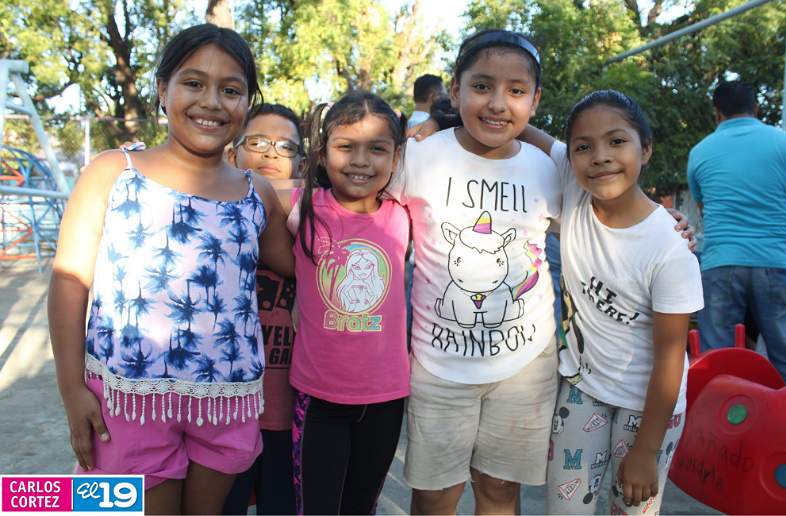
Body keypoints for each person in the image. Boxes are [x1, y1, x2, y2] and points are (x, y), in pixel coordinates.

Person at [47, 24, 293, 515]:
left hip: (225, 403)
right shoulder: (112, 173)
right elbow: (69, 280)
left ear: (247, 102)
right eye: (194, 83)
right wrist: (72, 389)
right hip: (128, 403)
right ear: (163, 89)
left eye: (231, 90)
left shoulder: (257, 194)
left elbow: (298, 263)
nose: (212, 102)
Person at [387, 30, 562, 515]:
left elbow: (607, 214)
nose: (498, 104)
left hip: (525, 367)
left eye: (516, 91)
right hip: (437, 365)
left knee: (500, 491)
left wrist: (667, 223)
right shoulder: (418, 156)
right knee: (435, 496)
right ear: (455, 89)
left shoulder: (549, 168)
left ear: (535, 100)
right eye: (482, 86)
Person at [543, 90, 703, 514]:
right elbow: (513, 124)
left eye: (617, 141)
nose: (600, 156)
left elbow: (671, 355)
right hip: (583, 390)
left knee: (632, 505)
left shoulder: (669, 249)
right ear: (570, 157)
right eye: (583, 147)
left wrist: (646, 450)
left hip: (647, 408)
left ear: (645, 149)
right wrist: (438, 123)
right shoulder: (575, 189)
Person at [287, 91, 409, 514]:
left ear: (396, 157)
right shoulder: (302, 208)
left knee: (362, 506)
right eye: (345, 147)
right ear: (323, 153)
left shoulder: (403, 214)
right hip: (319, 398)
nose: (360, 161)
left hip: (387, 398)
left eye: (376, 149)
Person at [687, 79, 786, 384]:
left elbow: (705, 209)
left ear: (717, 113)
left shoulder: (700, 152)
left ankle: (720, 411)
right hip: (776, 259)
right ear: (756, 108)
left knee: (716, 357)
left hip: (721, 262)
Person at [221, 103, 305, 515]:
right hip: (222, 413)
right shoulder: (214, 214)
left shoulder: (318, 217)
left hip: (288, 418)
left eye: (285, 146)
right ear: (232, 152)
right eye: (257, 142)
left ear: (301, 162)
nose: (272, 153)